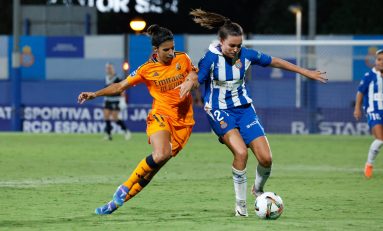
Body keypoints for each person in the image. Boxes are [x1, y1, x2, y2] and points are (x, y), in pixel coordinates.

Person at [179, 9, 327, 217]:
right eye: (232, 45)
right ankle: (241, 206)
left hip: (245, 109)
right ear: (221, 41)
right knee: (241, 153)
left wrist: (306, 72)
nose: (236, 49)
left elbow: (275, 61)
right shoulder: (210, 59)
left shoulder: (246, 55)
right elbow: (196, 75)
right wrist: (188, 82)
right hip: (219, 111)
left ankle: (257, 190)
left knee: (266, 159)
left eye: (239, 45)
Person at [78, 24, 198, 215]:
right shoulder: (146, 69)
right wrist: (95, 94)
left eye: (172, 48)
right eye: (166, 49)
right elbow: (119, 87)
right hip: (161, 115)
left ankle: (114, 204)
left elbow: (193, 73)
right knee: (160, 154)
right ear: (155, 50)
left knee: (153, 169)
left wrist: (190, 81)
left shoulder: (183, 58)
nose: (170, 52)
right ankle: (124, 187)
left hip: (184, 122)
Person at [354, 49, 383, 179]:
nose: (380, 62)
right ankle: (369, 165)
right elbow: (360, 92)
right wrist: (357, 108)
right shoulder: (369, 76)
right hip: (373, 110)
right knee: (380, 139)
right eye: (379, 59)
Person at [102, 62, 132, 141]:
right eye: (108, 68)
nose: (109, 70)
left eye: (110, 68)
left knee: (115, 117)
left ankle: (126, 131)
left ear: (113, 69)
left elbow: (122, 89)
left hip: (116, 100)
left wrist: (122, 100)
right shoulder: (106, 78)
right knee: (106, 116)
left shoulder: (117, 78)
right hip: (108, 100)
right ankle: (108, 134)